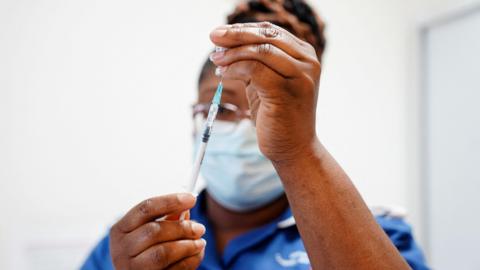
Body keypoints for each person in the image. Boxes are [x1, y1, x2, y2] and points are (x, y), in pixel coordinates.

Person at [81, 0, 429, 269]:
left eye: (268, 107)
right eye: (225, 109)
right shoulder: (139, 242)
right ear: (198, 114)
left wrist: (297, 150)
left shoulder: (373, 235)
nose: (251, 127)